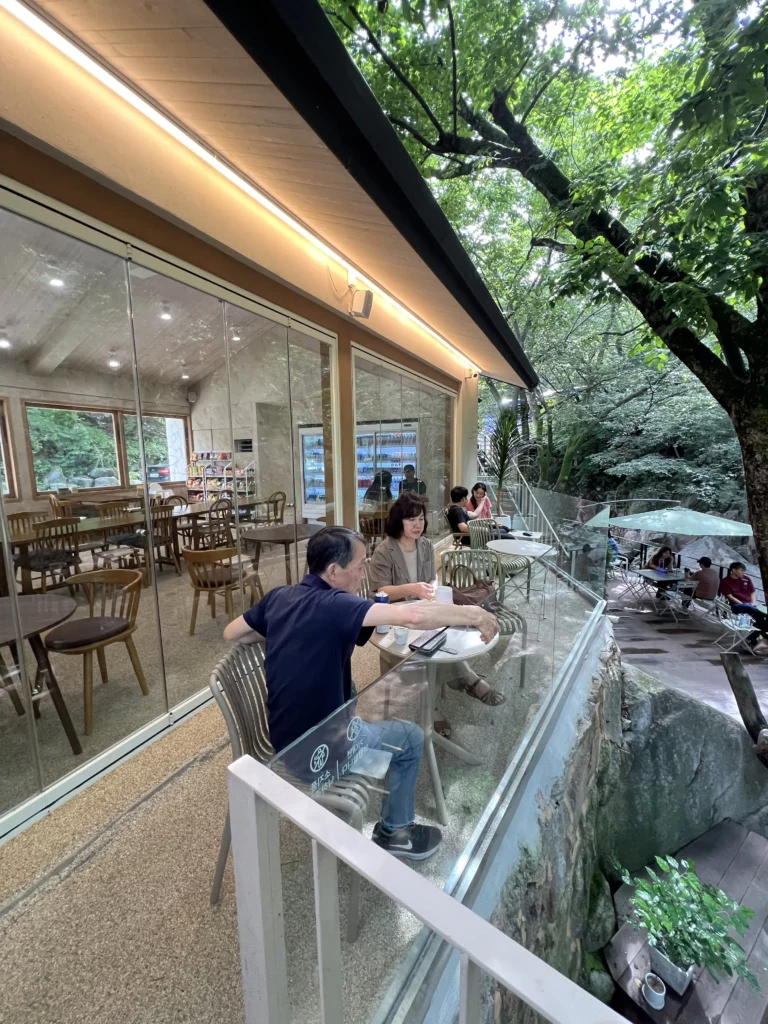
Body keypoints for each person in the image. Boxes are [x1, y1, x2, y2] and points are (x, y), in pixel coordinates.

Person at [223, 526, 499, 860]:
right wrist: (475, 613)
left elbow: (233, 631)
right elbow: (413, 614)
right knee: (411, 738)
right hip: (316, 754)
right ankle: (395, 831)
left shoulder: (280, 596)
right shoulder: (337, 604)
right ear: (334, 571)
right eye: (359, 566)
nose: (363, 574)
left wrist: (279, 627)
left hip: (282, 740)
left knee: (352, 690)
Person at [370, 493, 505, 727]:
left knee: (446, 640)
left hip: (426, 612)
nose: (417, 525)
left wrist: (431, 590)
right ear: (398, 520)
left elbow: (432, 579)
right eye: (410, 519)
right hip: (397, 620)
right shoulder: (385, 550)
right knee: (425, 650)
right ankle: (435, 704)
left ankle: (464, 678)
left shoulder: (424, 545)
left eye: (421, 519)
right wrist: (412, 588)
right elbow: (380, 592)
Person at [718, 562, 768, 654]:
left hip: (750, 607)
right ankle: (759, 640)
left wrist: (753, 603)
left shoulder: (747, 579)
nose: (743, 573)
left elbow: (752, 592)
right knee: (756, 612)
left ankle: (755, 641)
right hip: (736, 606)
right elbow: (729, 596)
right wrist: (744, 605)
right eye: (741, 570)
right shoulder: (725, 581)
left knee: (760, 620)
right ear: (733, 570)